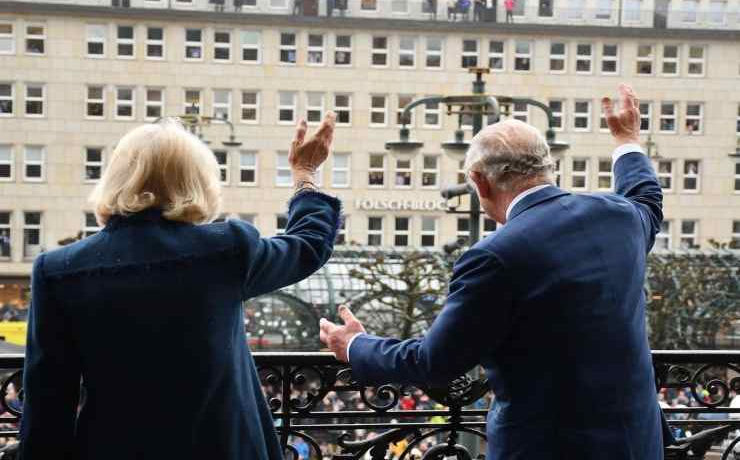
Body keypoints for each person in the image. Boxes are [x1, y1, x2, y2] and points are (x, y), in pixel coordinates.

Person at [320, 85, 674, 459]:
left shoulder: (494, 256)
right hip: (637, 441)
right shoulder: (618, 217)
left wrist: (355, 345)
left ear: (479, 181)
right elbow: (647, 198)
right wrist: (627, 140)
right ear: (547, 167)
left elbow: (436, 361)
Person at [19, 113, 341, 460]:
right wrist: (304, 175)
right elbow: (307, 246)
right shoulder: (225, 250)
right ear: (197, 182)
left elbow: (47, 399)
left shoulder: (58, 271)